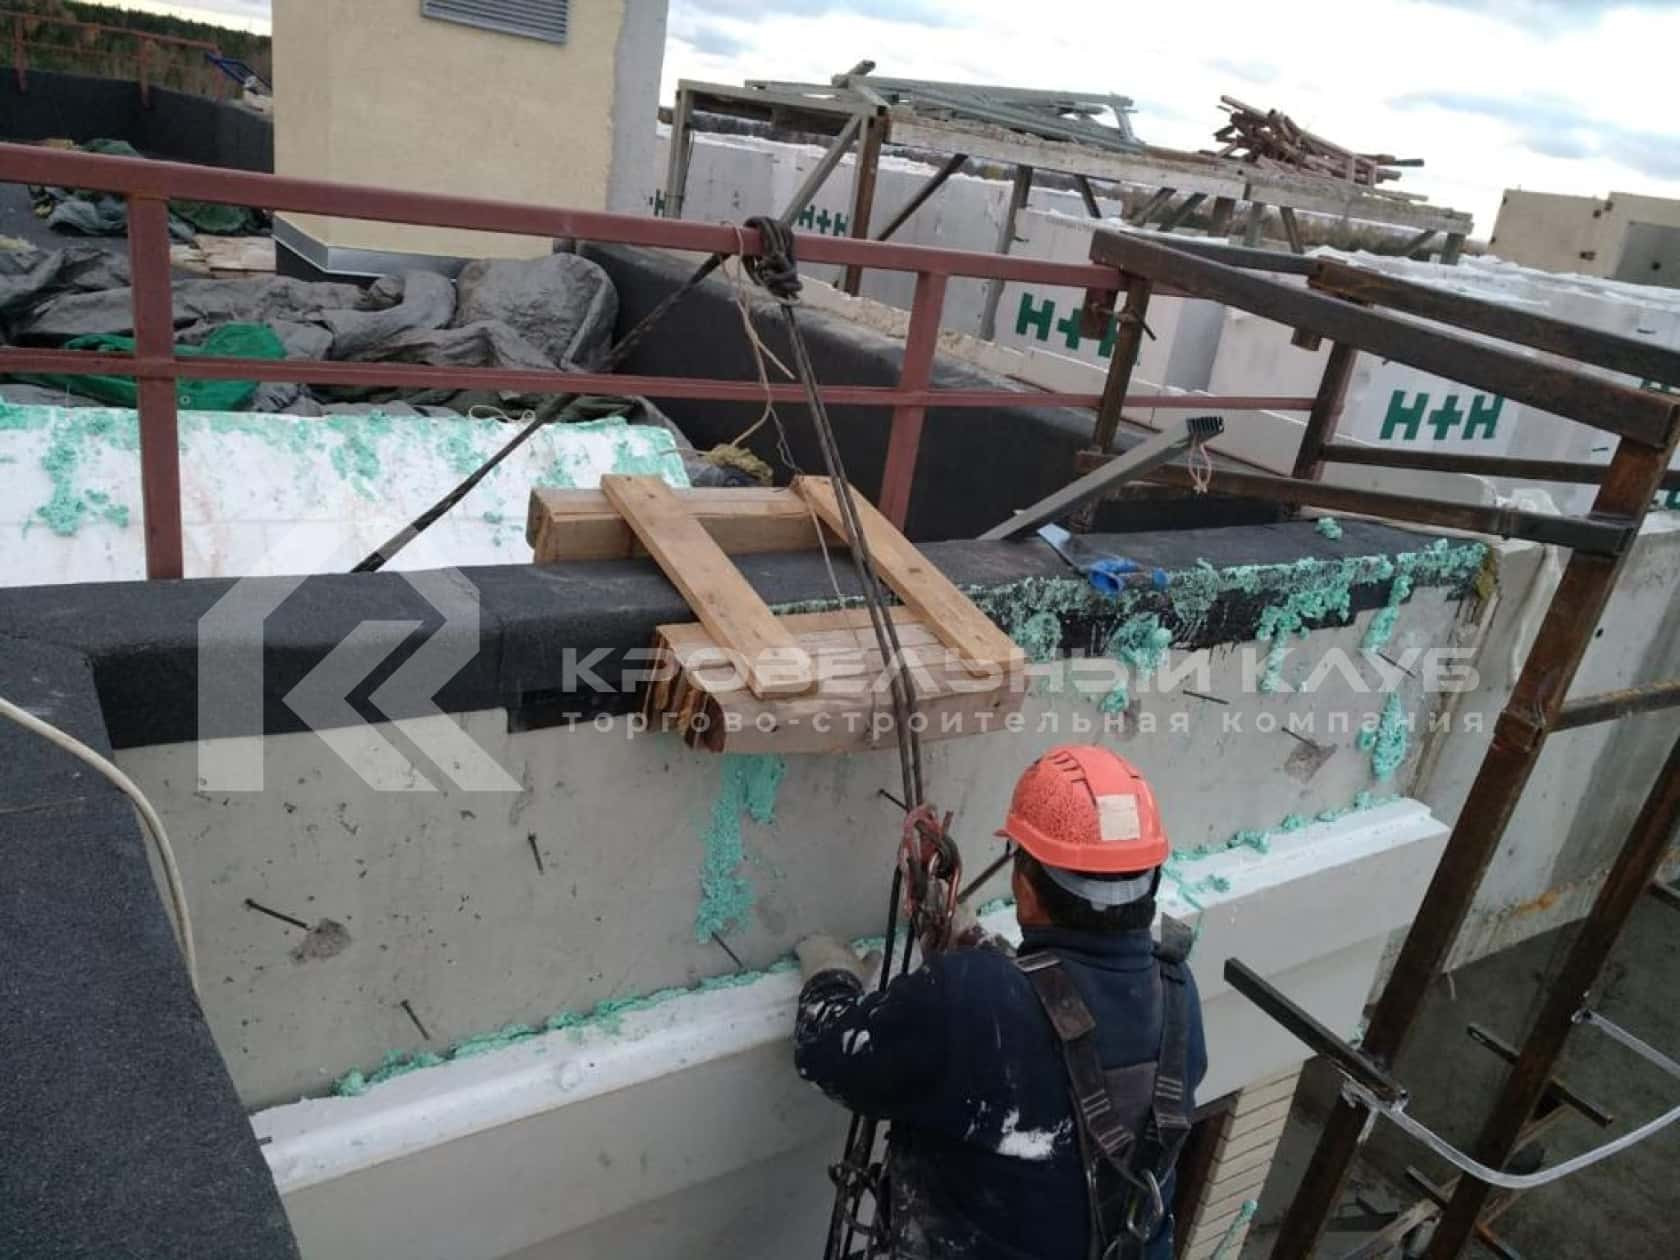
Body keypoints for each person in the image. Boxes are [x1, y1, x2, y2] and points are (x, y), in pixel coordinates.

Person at [794, 745, 1208, 1260]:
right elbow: (1064, 1014)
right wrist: (968, 939)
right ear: (1151, 880)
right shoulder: (1175, 991)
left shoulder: (971, 999)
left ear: (1025, 887)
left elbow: (830, 1053)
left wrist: (830, 976)